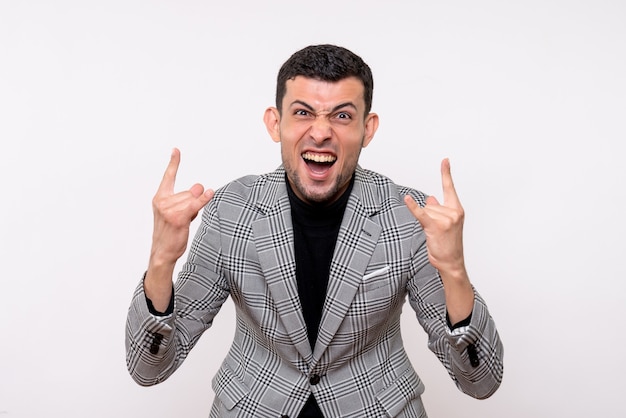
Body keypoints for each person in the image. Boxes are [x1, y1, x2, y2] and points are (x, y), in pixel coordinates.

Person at [126, 44, 504, 418]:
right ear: (276, 123)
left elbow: (481, 381)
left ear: (367, 128)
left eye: (342, 116)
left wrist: (454, 269)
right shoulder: (231, 211)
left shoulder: (410, 216)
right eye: (303, 112)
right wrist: (161, 261)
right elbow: (149, 368)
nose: (321, 133)